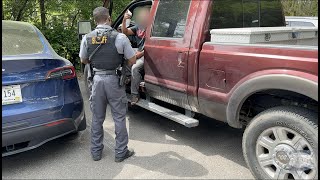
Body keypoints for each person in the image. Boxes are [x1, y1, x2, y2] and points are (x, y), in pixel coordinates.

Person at [79, 7, 136, 162]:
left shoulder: (87, 38)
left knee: (97, 118)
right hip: (114, 81)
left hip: (96, 81)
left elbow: (84, 60)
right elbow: (132, 60)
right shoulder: (120, 37)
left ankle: (96, 153)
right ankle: (120, 153)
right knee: (119, 117)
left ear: (94, 20)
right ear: (109, 18)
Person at [121, 8, 150, 105]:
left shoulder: (151, 27)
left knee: (135, 67)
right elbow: (125, 31)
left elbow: (150, 46)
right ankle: (128, 78)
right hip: (139, 53)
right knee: (125, 59)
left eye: (144, 14)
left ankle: (135, 94)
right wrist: (124, 20)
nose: (142, 16)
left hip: (148, 55)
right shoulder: (138, 27)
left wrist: (139, 54)